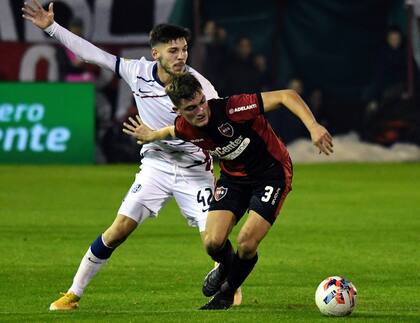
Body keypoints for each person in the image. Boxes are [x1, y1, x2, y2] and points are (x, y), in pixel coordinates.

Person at [22, 0, 242, 310]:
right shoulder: (136, 71)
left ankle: (228, 277)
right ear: (156, 53)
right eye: (173, 51)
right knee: (119, 229)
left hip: (195, 168)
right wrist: (52, 28)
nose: (181, 57)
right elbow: (91, 53)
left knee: (214, 242)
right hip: (156, 165)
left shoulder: (200, 86)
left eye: (184, 50)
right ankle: (73, 294)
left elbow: (221, 127)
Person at [122, 72, 333, 310]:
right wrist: (152, 135)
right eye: (191, 108)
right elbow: (172, 131)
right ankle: (226, 266)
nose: (200, 110)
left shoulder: (233, 109)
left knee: (246, 242)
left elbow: (287, 95)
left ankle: (227, 293)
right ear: (178, 110)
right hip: (234, 179)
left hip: (271, 174)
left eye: (202, 102)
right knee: (212, 243)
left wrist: (313, 127)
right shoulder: (185, 126)